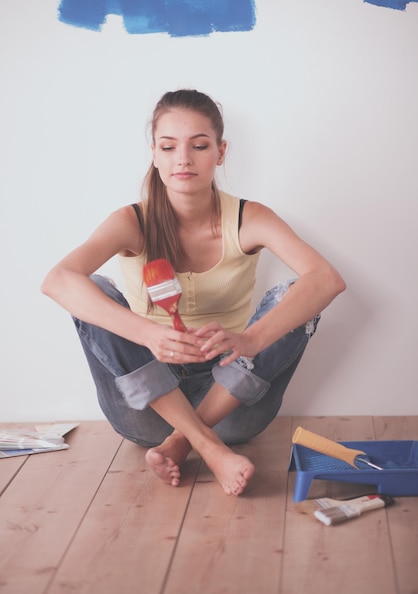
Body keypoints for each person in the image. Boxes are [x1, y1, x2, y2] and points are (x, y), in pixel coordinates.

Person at [41, 89, 345, 496]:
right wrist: (148, 335)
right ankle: (206, 447)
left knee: (296, 293)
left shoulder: (249, 217)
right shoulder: (131, 221)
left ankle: (183, 442)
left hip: (234, 405)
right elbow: (57, 280)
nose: (183, 158)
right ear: (154, 154)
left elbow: (326, 279)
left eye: (199, 146)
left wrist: (251, 338)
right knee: (89, 288)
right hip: (144, 408)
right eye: (169, 147)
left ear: (220, 153)